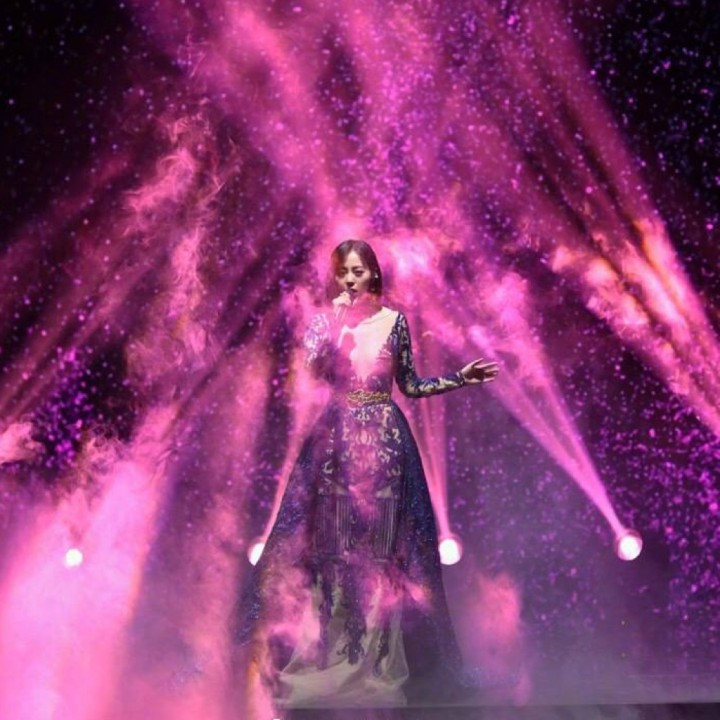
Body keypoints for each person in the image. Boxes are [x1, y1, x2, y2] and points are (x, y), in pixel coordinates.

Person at [235, 239, 499, 709]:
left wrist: (461, 378)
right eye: (343, 273)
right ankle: (325, 665)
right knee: (332, 554)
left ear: (372, 273)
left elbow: (410, 386)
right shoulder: (326, 324)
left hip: (385, 443)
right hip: (335, 442)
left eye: (357, 271)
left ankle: (378, 668)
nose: (350, 280)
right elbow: (314, 369)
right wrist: (333, 325)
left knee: (382, 557)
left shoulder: (395, 322)